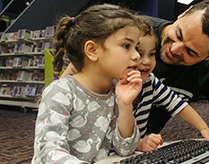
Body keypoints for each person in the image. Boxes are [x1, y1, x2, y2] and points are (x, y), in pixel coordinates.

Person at [63, 1, 209, 141]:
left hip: (130, 144)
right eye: (178, 34)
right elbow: (68, 85)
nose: (174, 49)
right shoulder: (131, 30)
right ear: (184, 13)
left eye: (191, 52)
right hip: (87, 138)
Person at [32, 5, 143, 163]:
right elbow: (48, 152)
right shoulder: (61, 92)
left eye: (136, 47)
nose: (137, 55)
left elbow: (125, 149)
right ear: (92, 50)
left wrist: (125, 104)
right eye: (127, 46)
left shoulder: (116, 91)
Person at [132, 18, 209, 152]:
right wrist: (136, 144)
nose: (146, 61)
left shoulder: (150, 81)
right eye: (138, 53)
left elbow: (177, 103)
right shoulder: (112, 84)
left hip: (133, 152)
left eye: (152, 54)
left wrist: (204, 129)